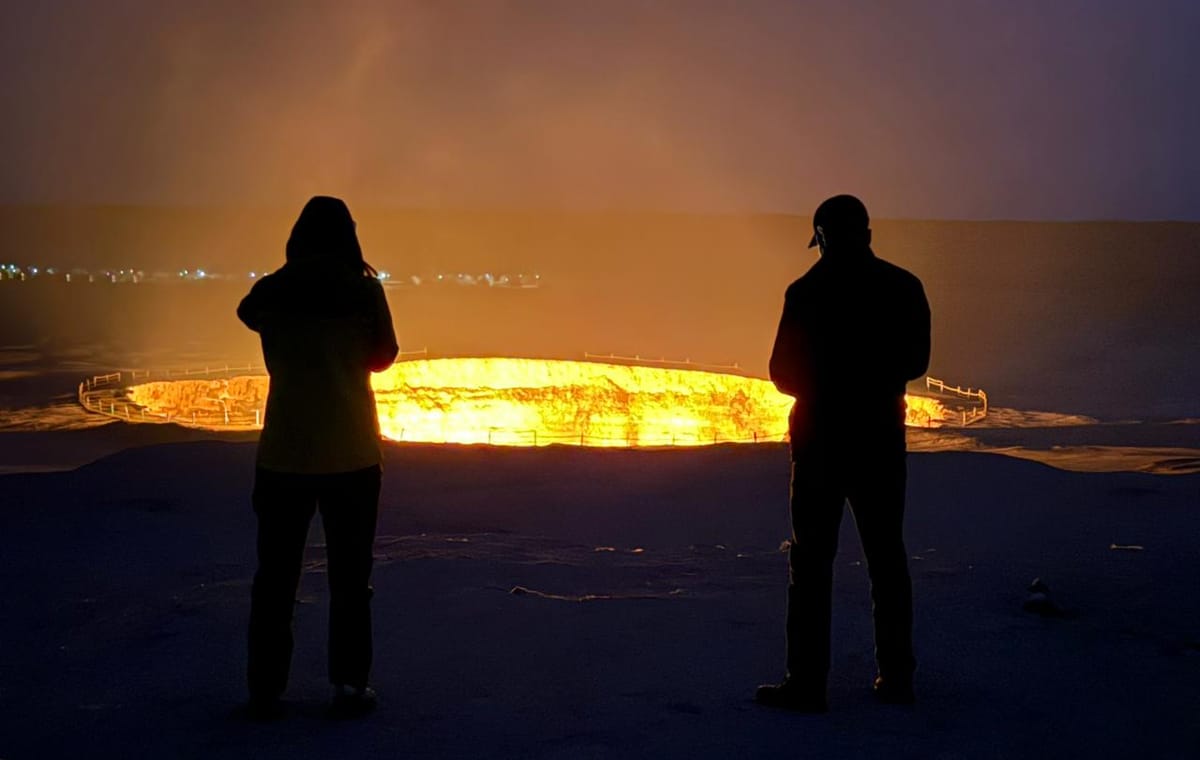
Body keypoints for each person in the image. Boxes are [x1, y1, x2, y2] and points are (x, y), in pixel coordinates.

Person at [756, 194, 930, 712]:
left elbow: (781, 374)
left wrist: (827, 386)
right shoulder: (903, 287)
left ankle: (806, 683)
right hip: (879, 440)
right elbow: (916, 360)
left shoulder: (805, 292)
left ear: (823, 238)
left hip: (819, 444)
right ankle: (897, 678)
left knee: (811, 564)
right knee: (886, 559)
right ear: (868, 235)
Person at [237, 196, 399, 719]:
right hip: (351, 452)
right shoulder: (363, 290)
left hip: (285, 451)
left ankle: (266, 688)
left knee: (275, 578)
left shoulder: (274, 290)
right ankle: (350, 685)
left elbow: (247, 312)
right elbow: (384, 356)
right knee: (351, 578)